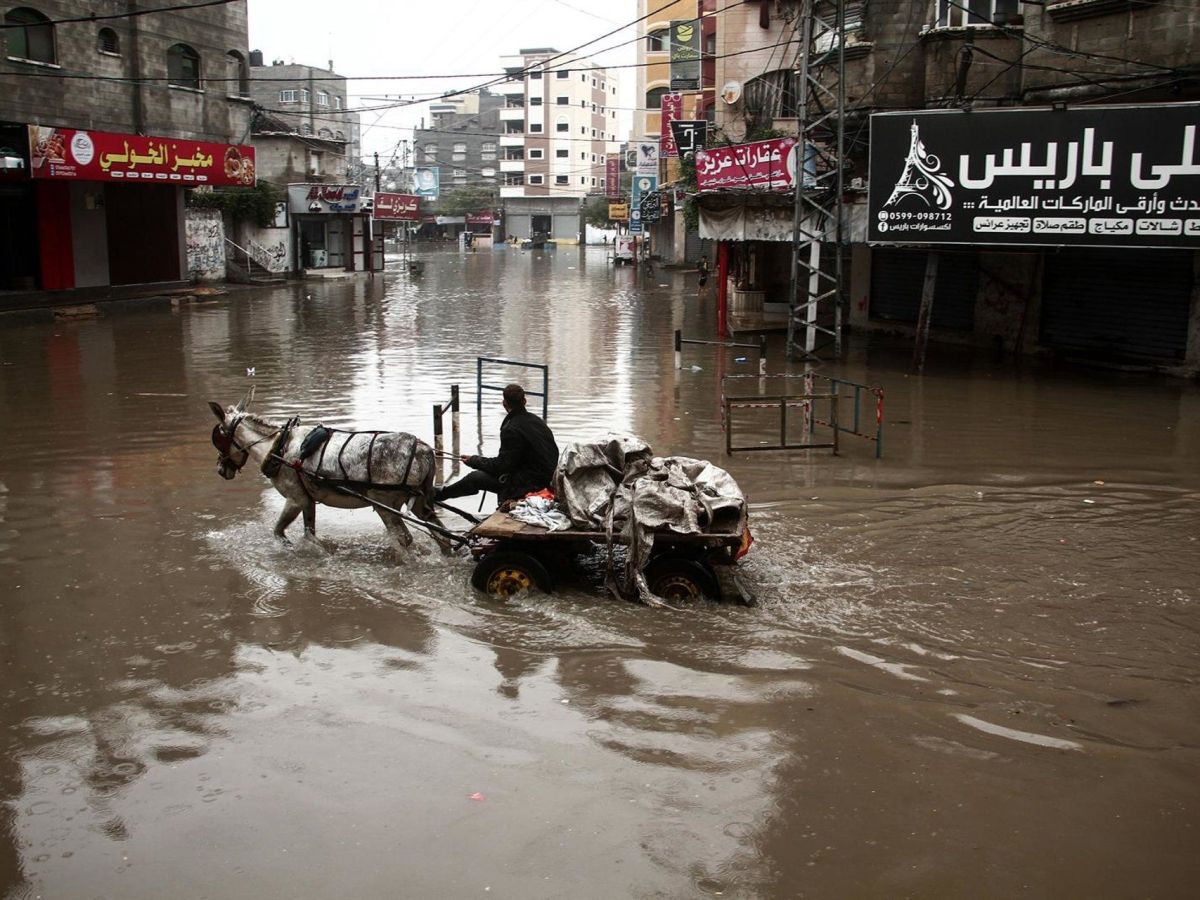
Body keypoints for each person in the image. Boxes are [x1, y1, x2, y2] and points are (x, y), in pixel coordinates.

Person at [435, 384, 559, 505]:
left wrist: (475, 461)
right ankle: (440, 494)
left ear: (504, 403)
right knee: (486, 471)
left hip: (530, 484)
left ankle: (438, 495)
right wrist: (477, 461)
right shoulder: (538, 421)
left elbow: (502, 466)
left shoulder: (511, 429)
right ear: (524, 401)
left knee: (475, 478)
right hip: (547, 478)